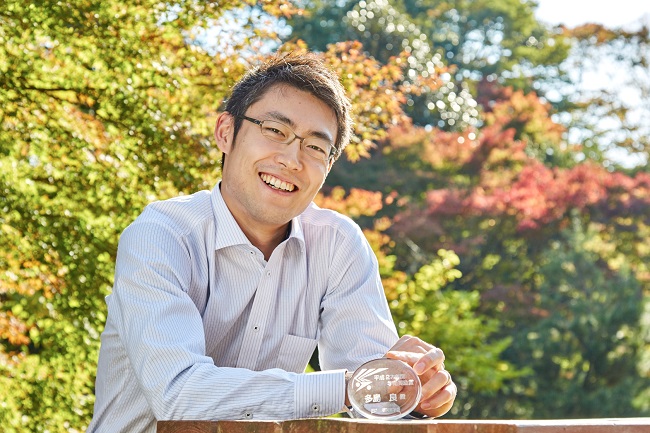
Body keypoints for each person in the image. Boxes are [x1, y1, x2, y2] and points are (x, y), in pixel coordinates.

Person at [88, 51, 457, 433]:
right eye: (275, 131)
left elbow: (372, 390)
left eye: (315, 147)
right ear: (225, 133)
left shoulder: (338, 244)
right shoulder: (162, 235)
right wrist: (347, 388)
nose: (292, 159)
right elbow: (179, 392)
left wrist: (413, 391)